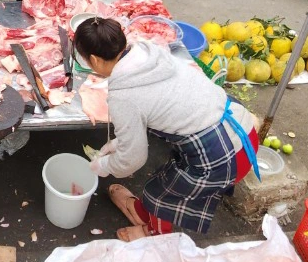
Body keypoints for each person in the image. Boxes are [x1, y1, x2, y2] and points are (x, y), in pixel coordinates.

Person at [79, 18, 259, 241]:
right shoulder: (150, 53)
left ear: (94, 60)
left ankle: (153, 233)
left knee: (160, 193)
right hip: (243, 129)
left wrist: (104, 165)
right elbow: (157, 107)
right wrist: (119, 143)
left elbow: (132, 160)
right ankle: (142, 212)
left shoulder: (123, 96)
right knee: (170, 176)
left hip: (225, 156)